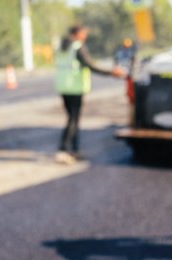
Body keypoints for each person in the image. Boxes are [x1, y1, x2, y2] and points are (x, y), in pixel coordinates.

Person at [54, 25, 126, 165]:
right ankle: (63, 150)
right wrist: (111, 72)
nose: (85, 36)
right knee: (73, 119)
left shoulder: (62, 46)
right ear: (77, 34)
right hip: (74, 87)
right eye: (83, 33)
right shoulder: (77, 47)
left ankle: (74, 149)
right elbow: (90, 65)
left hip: (63, 86)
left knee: (72, 118)